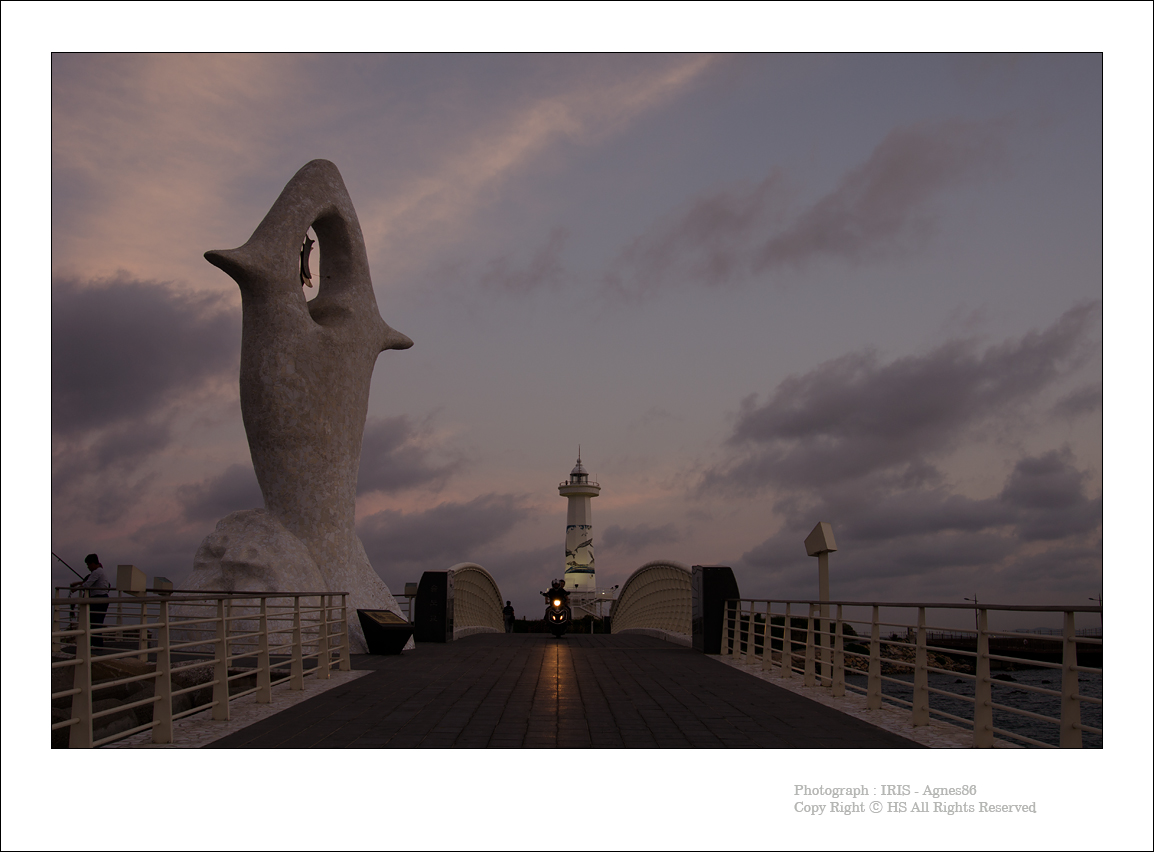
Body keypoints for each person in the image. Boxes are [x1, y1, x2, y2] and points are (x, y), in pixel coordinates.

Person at [70, 554, 111, 648]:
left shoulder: (96, 572)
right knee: (96, 622)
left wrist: (76, 589)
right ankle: (95, 644)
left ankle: (96, 645)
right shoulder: (100, 571)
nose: (88, 567)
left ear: (92, 563)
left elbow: (87, 584)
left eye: (88, 565)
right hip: (102, 598)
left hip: (98, 599)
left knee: (95, 623)